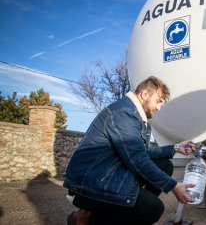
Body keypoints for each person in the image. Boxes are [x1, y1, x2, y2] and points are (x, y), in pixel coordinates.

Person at [64, 76, 196, 225]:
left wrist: (176, 148)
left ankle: (124, 208)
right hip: (89, 183)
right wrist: (173, 186)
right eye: (158, 101)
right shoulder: (123, 113)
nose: (159, 108)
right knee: (152, 209)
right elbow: (138, 160)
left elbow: (143, 153)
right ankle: (85, 219)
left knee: (164, 165)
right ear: (145, 94)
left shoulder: (137, 118)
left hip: (110, 174)